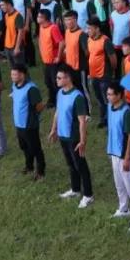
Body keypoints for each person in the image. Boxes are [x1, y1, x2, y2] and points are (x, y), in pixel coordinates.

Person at [50, 65, 93, 208]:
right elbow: (57, 112)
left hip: (73, 137)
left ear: (68, 78)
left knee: (80, 165)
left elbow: (82, 122)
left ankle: (88, 195)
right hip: (63, 135)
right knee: (71, 164)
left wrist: (82, 141)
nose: (56, 80)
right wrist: (54, 129)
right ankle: (75, 189)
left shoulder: (78, 97)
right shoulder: (60, 93)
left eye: (59, 78)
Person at [104, 84, 130, 230]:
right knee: (119, 184)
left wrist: (127, 158)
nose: (108, 97)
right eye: (107, 94)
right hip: (114, 152)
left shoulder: (126, 113)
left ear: (119, 95)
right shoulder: (110, 107)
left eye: (111, 94)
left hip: (124, 155)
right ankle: (124, 209)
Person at [10, 64, 45, 180]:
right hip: (19, 124)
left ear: (22, 75)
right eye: (12, 74)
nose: (12, 77)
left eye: (15, 74)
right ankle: (29, 166)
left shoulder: (31, 89)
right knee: (24, 147)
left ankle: (40, 172)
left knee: (35, 148)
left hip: (29, 125)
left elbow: (39, 106)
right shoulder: (14, 85)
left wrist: (33, 117)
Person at [36, 9, 64, 109]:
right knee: (48, 82)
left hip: (53, 61)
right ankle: (51, 100)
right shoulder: (41, 27)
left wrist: (58, 57)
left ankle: (60, 101)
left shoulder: (53, 28)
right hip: (46, 60)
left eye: (39, 17)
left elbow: (61, 42)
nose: (37, 18)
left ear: (45, 18)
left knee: (56, 82)